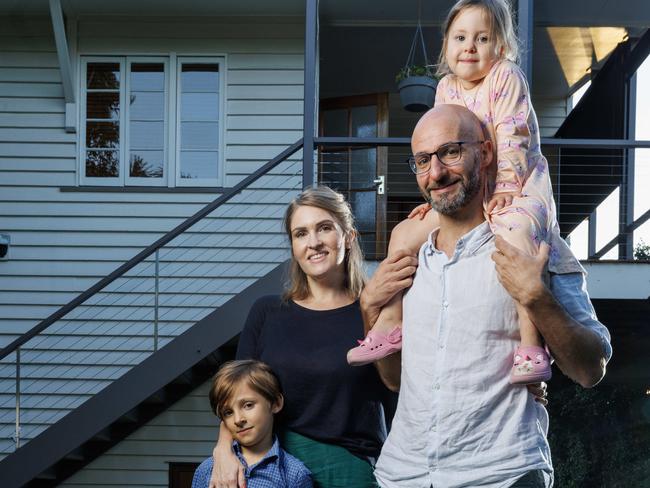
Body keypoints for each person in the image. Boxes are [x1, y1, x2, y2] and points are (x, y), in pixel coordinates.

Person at [363, 104, 612, 487]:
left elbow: (590, 369)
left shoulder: (533, 246)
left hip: (502, 474)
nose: (437, 172)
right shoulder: (406, 264)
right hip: (404, 474)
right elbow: (395, 380)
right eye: (423, 160)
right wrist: (369, 310)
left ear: (487, 152)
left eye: (451, 151)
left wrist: (535, 297)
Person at [348, 0, 584, 385]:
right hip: (478, 191)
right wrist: (431, 204)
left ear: (501, 47)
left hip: (517, 184)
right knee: (402, 234)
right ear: (446, 47)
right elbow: (441, 145)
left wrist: (507, 185)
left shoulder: (506, 77)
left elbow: (513, 135)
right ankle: (389, 325)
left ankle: (530, 349)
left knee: (515, 235)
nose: (469, 47)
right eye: (460, 38)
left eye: (482, 38)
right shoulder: (445, 87)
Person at [209, 186, 392, 488]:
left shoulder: (377, 312)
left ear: (348, 236)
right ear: (293, 246)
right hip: (272, 470)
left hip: (349, 472)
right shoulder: (266, 312)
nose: (314, 243)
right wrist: (223, 450)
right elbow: (236, 393)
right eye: (301, 233)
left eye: (324, 228)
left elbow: (398, 391)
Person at [192, 360, 313, 488]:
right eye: (228, 412)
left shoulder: (295, 475)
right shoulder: (207, 471)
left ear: (276, 403)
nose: (238, 419)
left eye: (248, 405)